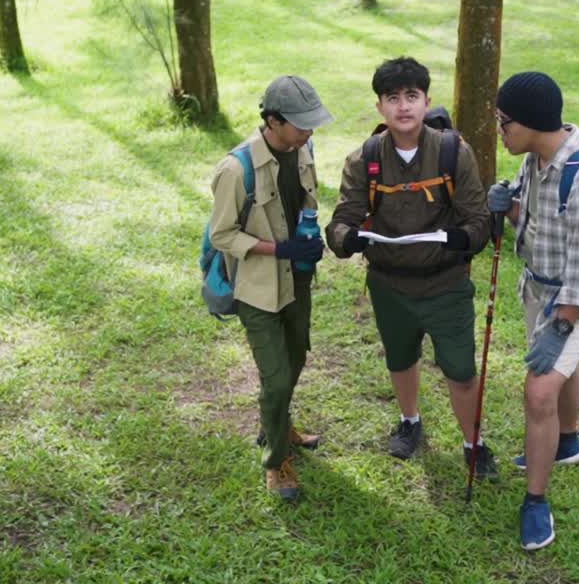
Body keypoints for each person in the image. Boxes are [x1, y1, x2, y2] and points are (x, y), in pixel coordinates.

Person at [326, 56, 497, 478]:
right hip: (389, 285)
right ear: (380, 107)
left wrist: (464, 239)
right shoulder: (362, 159)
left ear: (426, 101)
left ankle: (473, 443)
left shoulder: (454, 152)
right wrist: (347, 239)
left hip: (446, 284)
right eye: (393, 98)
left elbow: (478, 220)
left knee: (460, 369)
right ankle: (410, 421)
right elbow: (341, 220)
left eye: (412, 96)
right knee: (400, 360)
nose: (403, 106)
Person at [486, 71, 579, 550]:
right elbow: (540, 226)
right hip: (539, 289)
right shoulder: (537, 159)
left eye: (504, 122)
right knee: (565, 373)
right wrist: (508, 209)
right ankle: (568, 442)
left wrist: (559, 327)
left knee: (539, 395)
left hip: (573, 303)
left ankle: (536, 502)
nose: (499, 130)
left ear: (530, 124)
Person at [209, 75, 333, 501]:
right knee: (276, 379)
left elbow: (305, 204)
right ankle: (276, 461)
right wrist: (276, 247)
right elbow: (222, 235)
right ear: (273, 121)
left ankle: (278, 424)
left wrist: (307, 244)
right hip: (257, 289)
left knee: (295, 358)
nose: (309, 131)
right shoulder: (234, 168)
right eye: (301, 124)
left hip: (297, 279)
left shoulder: (303, 150)